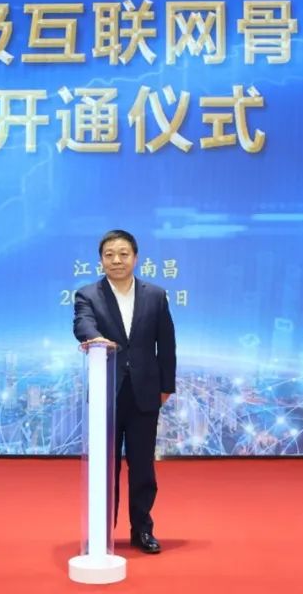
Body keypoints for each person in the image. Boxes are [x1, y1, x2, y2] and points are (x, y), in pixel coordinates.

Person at [73, 229, 176, 554]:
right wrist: (94, 339)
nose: (116, 260)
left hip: (145, 393)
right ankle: (101, 533)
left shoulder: (156, 295)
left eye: (123, 254)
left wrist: (166, 386)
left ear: (135, 258)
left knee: (143, 466)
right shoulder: (88, 294)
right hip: (107, 392)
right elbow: (82, 324)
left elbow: (166, 344)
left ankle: (142, 530)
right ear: (101, 260)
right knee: (105, 468)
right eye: (109, 255)